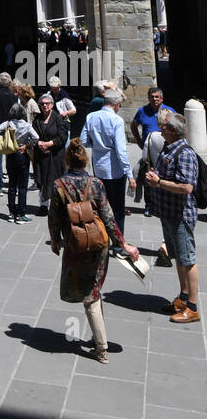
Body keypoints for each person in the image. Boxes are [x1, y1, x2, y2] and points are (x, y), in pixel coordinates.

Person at [49, 138, 140, 363]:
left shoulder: (59, 185)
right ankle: (97, 337)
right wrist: (123, 243)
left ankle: (101, 348)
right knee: (95, 288)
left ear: (67, 160)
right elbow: (108, 216)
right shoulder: (96, 184)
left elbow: (54, 218)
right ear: (85, 161)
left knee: (90, 296)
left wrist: (55, 240)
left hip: (75, 244)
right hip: (99, 243)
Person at [146, 112, 201, 323]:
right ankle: (183, 297)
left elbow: (187, 187)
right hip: (168, 214)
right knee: (178, 257)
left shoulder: (185, 153)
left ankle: (193, 307)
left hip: (180, 215)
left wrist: (159, 182)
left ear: (175, 132)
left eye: (166, 127)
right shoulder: (170, 148)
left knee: (188, 259)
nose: (162, 128)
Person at [80, 85, 136, 251]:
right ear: (117, 104)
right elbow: (121, 150)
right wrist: (130, 174)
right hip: (115, 170)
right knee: (117, 208)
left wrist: (97, 145)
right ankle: (118, 244)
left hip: (98, 168)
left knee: (100, 206)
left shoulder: (91, 116)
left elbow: (83, 140)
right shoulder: (117, 120)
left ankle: (101, 238)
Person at [0, 101, 39, 223]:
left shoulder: (7, 124)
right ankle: (21, 214)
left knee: (12, 185)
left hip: (11, 154)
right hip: (22, 154)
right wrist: (27, 145)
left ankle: (11, 213)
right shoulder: (27, 125)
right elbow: (36, 137)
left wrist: (4, 140)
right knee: (22, 186)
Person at [32, 92, 69, 213]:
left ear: (52, 105)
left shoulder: (58, 118)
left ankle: (57, 205)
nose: (44, 106)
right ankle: (43, 205)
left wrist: (50, 143)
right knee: (42, 179)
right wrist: (39, 143)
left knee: (55, 180)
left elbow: (62, 137)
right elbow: (32, 134)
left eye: (47, 104)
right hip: (41, 154)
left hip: (55, 155)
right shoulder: (37, 119)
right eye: (42, 104)